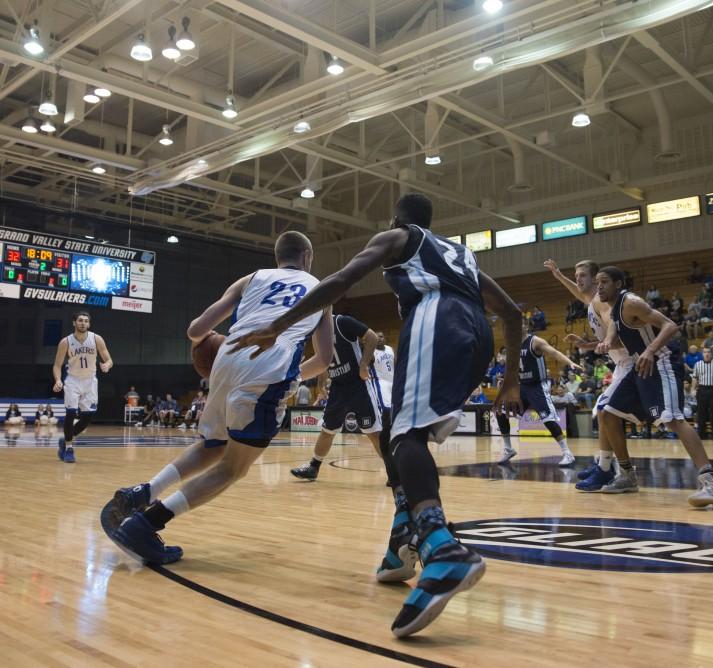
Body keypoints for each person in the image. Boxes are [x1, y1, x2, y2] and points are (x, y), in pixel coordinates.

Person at [206, 194, 523, 638]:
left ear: (397, 220)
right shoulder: (461, 256)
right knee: (399, 431)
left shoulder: (398, 237)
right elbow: (510, 312)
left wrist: (278, 326)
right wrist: (509, 380)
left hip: (438, 322)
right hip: (477, 334)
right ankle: (401, 538)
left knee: (403, 438)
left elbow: (340, 278)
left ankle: (440, 546)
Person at [104, 230, 334, 570]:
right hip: (269, 366)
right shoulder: (320, 289)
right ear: (307, 257)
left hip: (227, 358)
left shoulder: (251, 278)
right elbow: (325, 358)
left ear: (278, 256)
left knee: (212, 444)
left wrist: (210, 343)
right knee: (232, 468)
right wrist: (293, 376)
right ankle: (145, 524)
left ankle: (143, 492)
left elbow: (197, 329)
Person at [594, 266, 713, 507]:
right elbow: (619, 340)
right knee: (608, 413)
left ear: (618, 284)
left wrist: (649, 350)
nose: (599, 287)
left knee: (673, 419)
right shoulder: (614, 310)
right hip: (640, 366)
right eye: (597, 283)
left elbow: (670, 325)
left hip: (661, 362)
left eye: (604, 282)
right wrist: (590, 345)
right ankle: (626, 475)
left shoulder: (631, 302)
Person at [544, 258, 634, 493]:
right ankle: (605, 465)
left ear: (594, 279)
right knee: (601, 412)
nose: (577, 280)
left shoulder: (602, 303)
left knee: (604, 411)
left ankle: (608, 468)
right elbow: (578, 293)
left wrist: (601, 342)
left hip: (631, 363)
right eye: (576, 276)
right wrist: (560, 277)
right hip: (621, 364)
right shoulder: (592, 300)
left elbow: (615, 330)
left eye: (582, 275)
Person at [290, 314, 384, 481]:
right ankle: (313, 467)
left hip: (358, 384)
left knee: (373, 433)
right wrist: (320, 383)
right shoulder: (317, 332)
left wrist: (363, 365)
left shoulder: (342, 321)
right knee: (327, 430)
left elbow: (372, 337)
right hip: (337, 387)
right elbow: (322, 359)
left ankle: (395, 472)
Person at [495, 321, 581, 467]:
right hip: (522, 386)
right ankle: (508, 449)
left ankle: (567, 453)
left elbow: (554, 352)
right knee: (501, 412)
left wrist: (569, 363)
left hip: (538, 386)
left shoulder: (535, 342)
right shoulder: (512, 344)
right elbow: (513, 367)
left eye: (519, 324)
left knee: (548, 419)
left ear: (526, 327)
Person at [52, 311, 113, 463]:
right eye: (80, 320)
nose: (83, 323)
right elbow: (57, 365)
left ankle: (66, 438)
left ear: (89, 324)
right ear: (74, 323)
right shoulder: (65, 342)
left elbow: (109, 359)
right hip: (73, 380)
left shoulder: (96, 339)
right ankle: (69, 447)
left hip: (90, 381)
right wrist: (58, 380)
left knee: (87, 418)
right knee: (71, 413)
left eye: (86, 321)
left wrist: (106, 365)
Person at [692, 347, 713, 440]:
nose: (706, 354)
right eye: (705, 352)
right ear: (702, 354)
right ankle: (702, 433)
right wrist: (693, 389)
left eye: (708, 352)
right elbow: (694, 377)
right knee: (701, 412)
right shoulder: (697, 364)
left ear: (711, 354)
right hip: (702, 389)